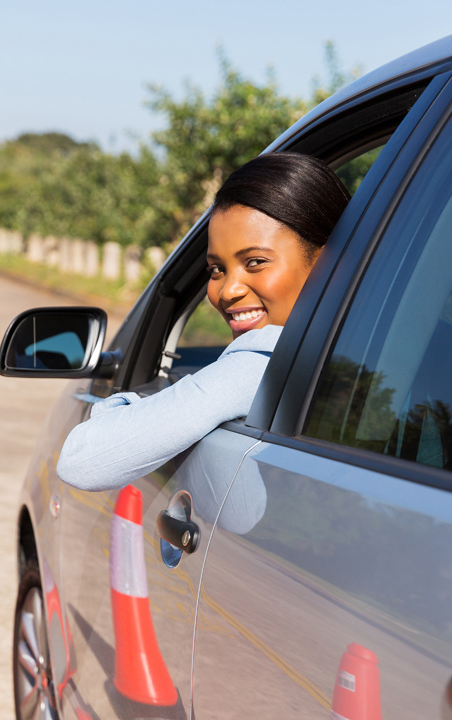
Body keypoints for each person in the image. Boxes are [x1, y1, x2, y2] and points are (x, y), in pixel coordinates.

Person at [57, 152, 351, 492]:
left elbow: (81, 462)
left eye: (255, 262)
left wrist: (124, 409)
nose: (228, 291)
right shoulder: (362, 352)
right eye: (216, 269)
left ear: (331, 262)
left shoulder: (262, 361)